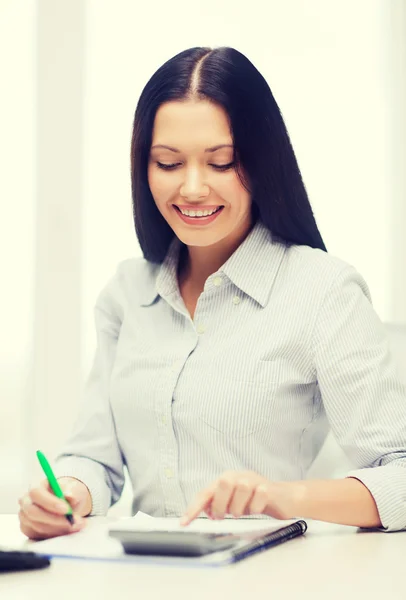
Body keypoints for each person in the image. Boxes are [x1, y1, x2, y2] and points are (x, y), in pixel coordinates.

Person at [18, 46, 406, 540]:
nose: (193, 188)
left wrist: (281, 496)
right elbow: (95, 457)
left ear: (262, 164)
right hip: (145, 576)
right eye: (168, 162)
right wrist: (68, 494)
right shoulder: (127, 294)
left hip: (272, 580)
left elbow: (401, 471)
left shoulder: (324, 291)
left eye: (222, 162)